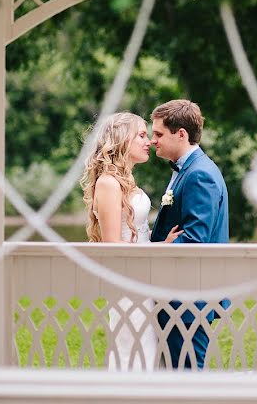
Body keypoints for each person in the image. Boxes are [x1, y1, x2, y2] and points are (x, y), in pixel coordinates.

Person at [82, 112, 182, 371]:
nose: (148, 141)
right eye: (141, 135)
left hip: (142, 279)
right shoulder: (108, 183)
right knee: (132, 350)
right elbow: (112, 246)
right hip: (127, 285)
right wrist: (160, 248)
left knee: (148, 348)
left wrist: (160, 244)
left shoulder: (126, 181)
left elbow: (136, 234)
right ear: (121, 140)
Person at [149, 100, 229, 370]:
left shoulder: (199, 175)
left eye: (158, 134)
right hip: (181, 296)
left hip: (189, 298)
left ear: (181, 134)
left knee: (187, 375)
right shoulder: (189, 169)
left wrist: (158, 249)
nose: (153, 140)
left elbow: (196, 239)